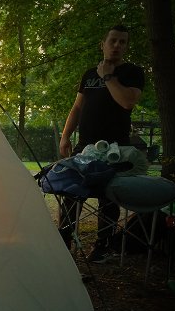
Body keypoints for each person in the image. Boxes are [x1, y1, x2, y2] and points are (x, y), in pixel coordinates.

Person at [58, 24, 145, 263]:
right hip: (84, 146)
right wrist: (66, 136)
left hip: (116, 149)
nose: (117, 45)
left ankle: (103, 247)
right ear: (103, 44)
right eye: (113, 40)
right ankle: (63, 242)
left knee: (109, 197)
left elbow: (127, 102)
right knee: (71, 192)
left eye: (122, 42)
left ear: (126, 47)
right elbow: (77, 107)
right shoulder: (88, 74)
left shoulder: (132, 73)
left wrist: (107, 76)